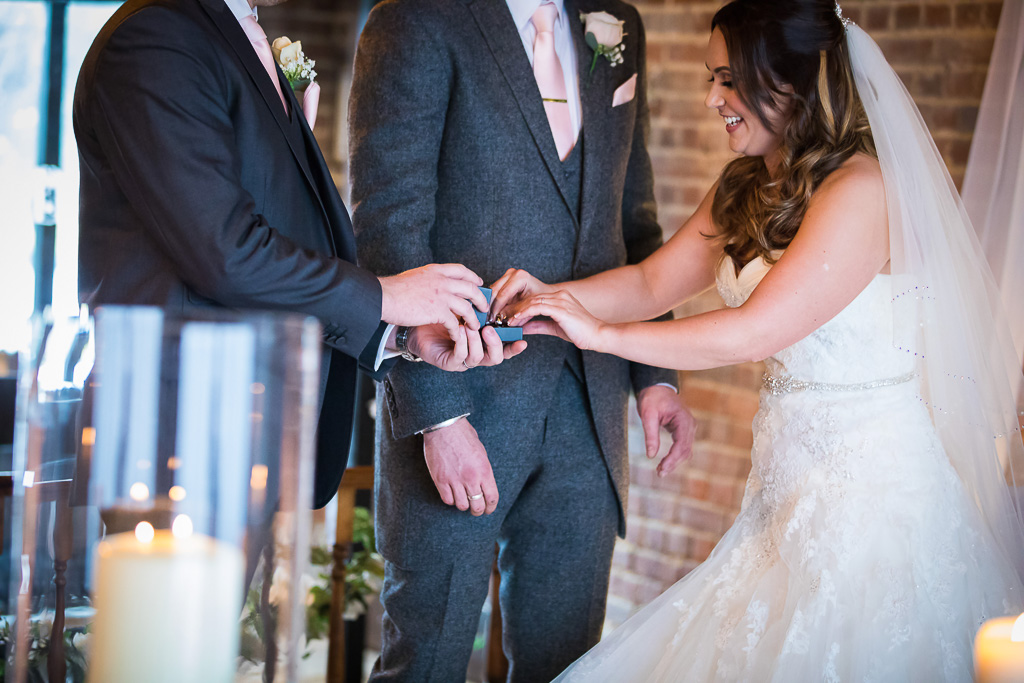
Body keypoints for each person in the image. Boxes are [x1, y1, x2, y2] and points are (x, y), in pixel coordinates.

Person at [493, 1, 1024, 679]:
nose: (712, 99)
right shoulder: (746, 182)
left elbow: (754, 331)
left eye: (729, 79)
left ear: (791, 81)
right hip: (783, 494)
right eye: (712, 79)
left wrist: (597, 334)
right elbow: (653, 281)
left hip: (872, 503)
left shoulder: (861, 189)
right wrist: (551, 296)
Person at [348, 0, 695, 680]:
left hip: (589, 409)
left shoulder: (617, 26)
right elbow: (388, 233)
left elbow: (635, 224)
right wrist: (437, 415)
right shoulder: (416, 18)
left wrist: (654, 374)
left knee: (570, 667)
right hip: (460, 399)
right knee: (426, 662)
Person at [73, 0, 516, 510]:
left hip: (247, 433)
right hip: (176, 438)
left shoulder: (233, 35)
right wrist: (386, 295)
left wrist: (398, 336)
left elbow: (279, 235)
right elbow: (227, 253)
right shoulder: (157, 37)